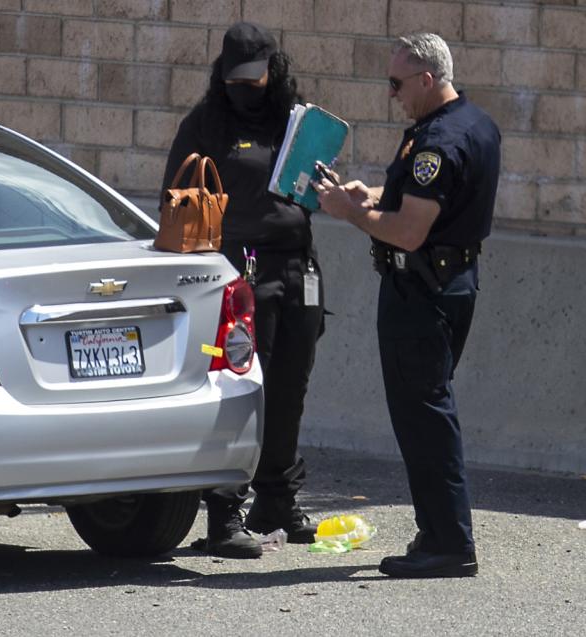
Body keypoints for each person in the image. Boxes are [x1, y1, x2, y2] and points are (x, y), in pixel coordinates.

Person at [314, 33, 501, 578]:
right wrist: (372, 197)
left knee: (424, 417)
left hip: (421, 292)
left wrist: (348, 214)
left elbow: (412, 232)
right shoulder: (473, 123)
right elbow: (436, 208)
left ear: (426, 79)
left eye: (397, 83)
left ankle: (448, 542)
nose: (391, 93)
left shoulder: (437, 143)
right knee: (428, 410)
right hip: (452, 283)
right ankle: (439, 530)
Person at [162, 22, 325, 559]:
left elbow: (312, 191)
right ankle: (225, 510)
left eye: (254, 78)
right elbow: (177, 198)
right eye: (236, 79)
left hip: (298, 265)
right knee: (242, 390)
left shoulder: (294, 124)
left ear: (272, 73)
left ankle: (277, 499)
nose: (245, 88)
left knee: (289, 388)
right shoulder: (206, 125)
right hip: (242, 268)